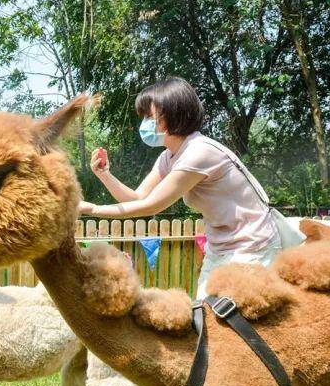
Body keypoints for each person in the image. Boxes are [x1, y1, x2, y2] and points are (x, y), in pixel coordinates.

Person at [79, 76, 293, 298]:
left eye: (149, 116)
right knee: (206, 318)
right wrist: (104, 174)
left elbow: (151, 206)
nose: (144, 124)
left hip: (252, 246)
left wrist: (92, 209)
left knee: (230, 323)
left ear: (172, 113)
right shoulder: (168, 157)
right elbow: (137, 198)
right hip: (219, 247)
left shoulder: (199, 152)